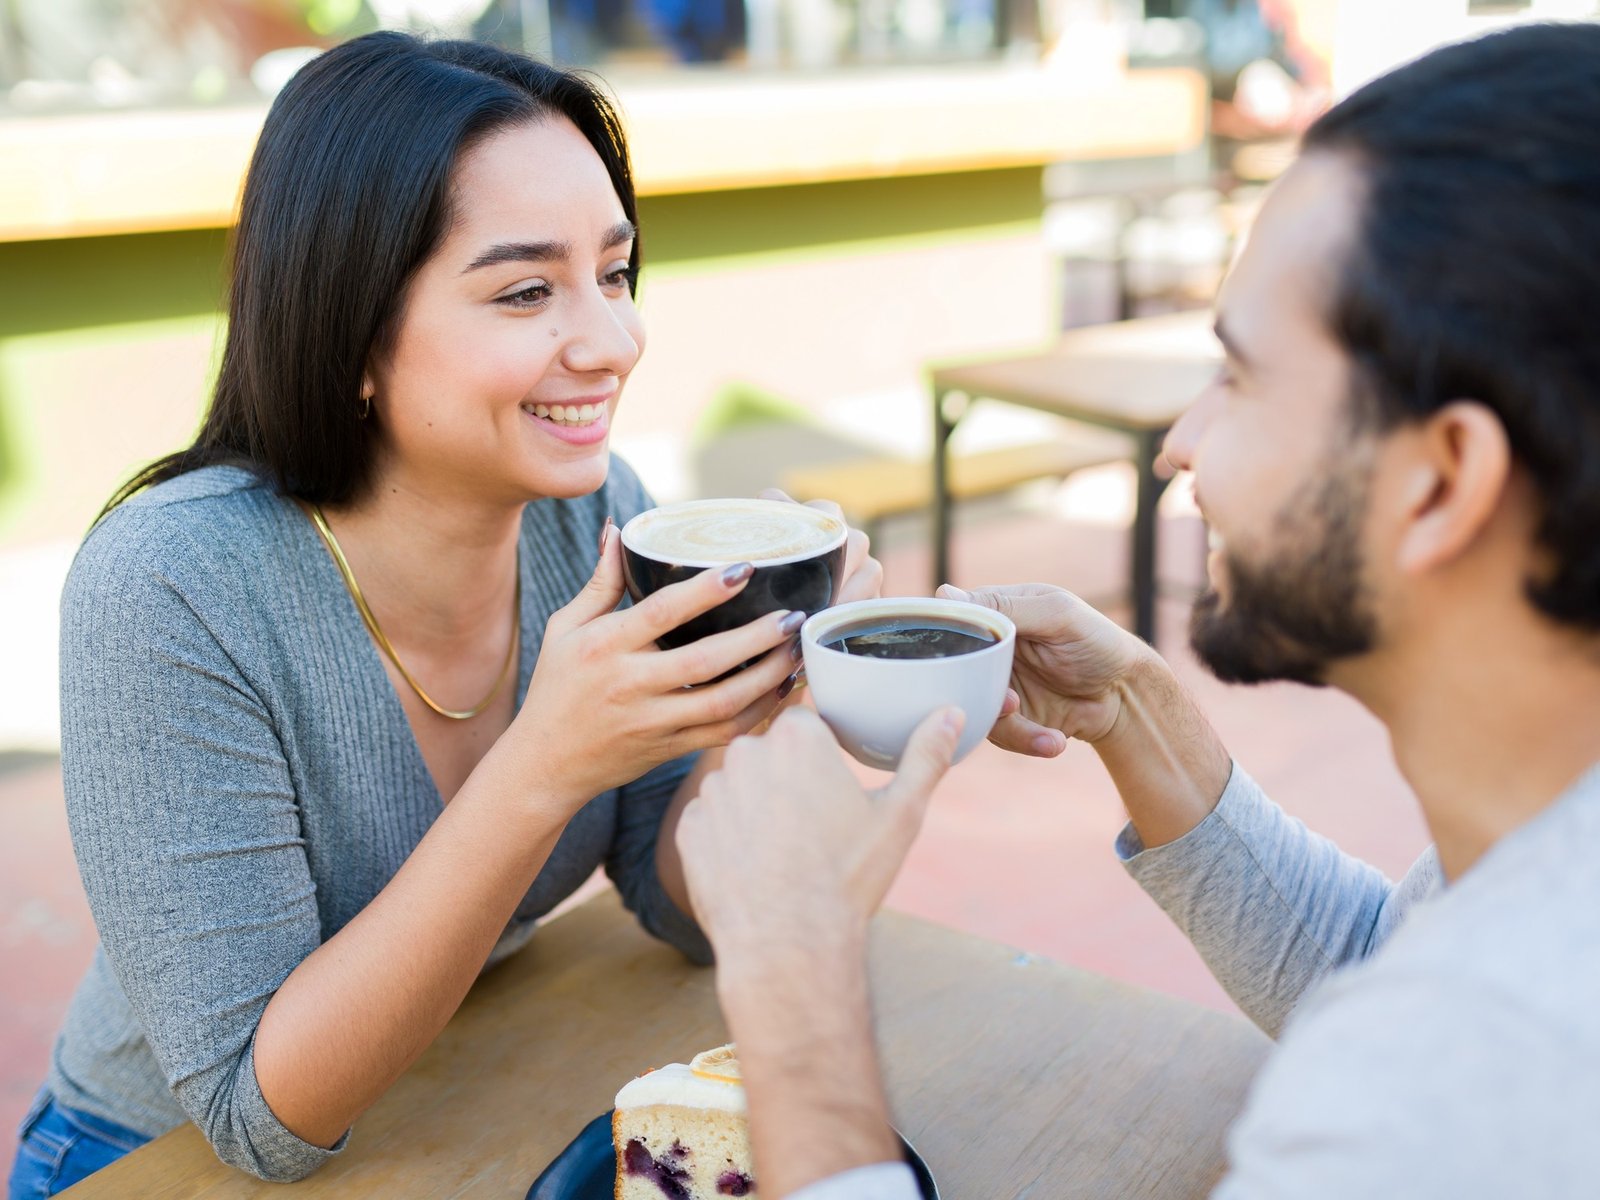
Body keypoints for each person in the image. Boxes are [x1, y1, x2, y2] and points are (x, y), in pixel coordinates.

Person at [676, 22, 1600, 1200]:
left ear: (1440, 480)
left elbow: (1419, 1052)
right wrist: (1129, 713)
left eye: (1241, 378)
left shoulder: (1450, 1087)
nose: (1181, 445)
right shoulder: (1535, 875)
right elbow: (1383, 971)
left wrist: (794, 974)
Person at [7, 32, 879, 1199]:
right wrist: (544, 765)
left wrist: (762, 699)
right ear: (353, 334)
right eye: (526, 291)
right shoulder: (170, 590)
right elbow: (259, 1120)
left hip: (456, 1096)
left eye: (613, 274)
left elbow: (681, 905)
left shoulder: (599, 518)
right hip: (149, 1161)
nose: (611, 342)